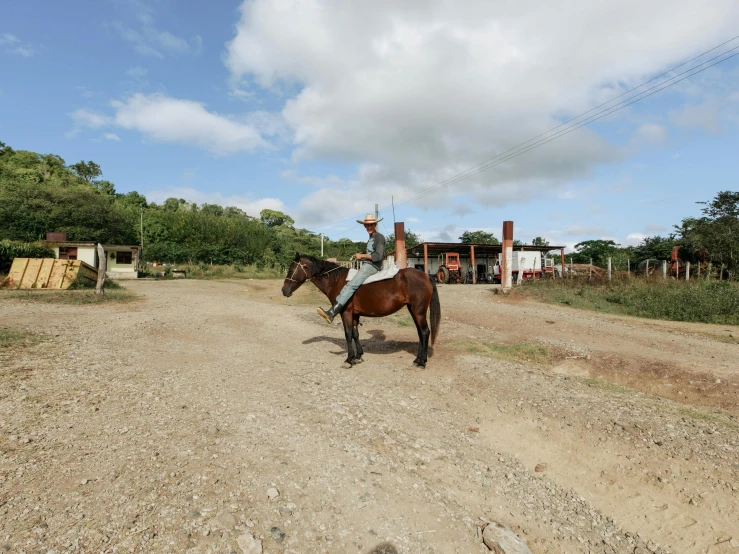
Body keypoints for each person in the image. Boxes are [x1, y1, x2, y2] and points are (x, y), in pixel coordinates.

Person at [317, 213, 386, 323]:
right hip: (367, 264)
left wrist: (362, 256)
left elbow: (378, 256)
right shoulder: (372, 237)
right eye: (366, 225)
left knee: (352, 284)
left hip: (373, 266)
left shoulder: (379, 237)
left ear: (374, 225)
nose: (368, 227)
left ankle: (332, 312)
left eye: (371, 225)